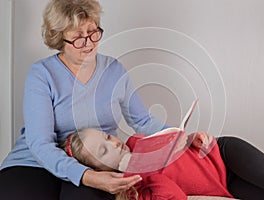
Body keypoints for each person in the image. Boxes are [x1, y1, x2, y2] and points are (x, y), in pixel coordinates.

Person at [0, 0, 169, 199]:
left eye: (92, 32)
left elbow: (143, 121)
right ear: (59, 39)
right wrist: (85, 176)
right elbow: (41, 143)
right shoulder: (42, 74)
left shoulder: (114, 70)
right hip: (34, 162)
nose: (89, 43)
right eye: (78, 38)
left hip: (95, 162)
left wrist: (180, 137)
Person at [61, 128, 264, 200]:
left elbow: (176, 137)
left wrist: (194, 138)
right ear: (100, 170)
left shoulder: (137, 141)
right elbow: (176, 196)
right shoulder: (135, 189)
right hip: (226, 184)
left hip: (223, 154)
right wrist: (143, 174)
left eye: (107, 137)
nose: (113, 143)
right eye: (103, 150)